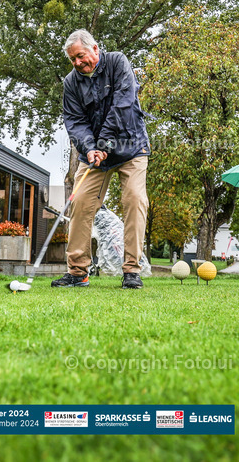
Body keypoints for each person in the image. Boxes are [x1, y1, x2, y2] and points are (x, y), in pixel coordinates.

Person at [54, 29, 150, 290]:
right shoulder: (71, 83)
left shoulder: (118, 63)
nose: (77, 63)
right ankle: (77, 272)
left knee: (134, 199)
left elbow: (124, 103)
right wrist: (89, 148)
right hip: (95, 154)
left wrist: (104, 142)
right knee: (81, 202)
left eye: (80, 56)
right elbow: (74, 121)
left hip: (131, 147)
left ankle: (131, 270)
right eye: (72, 59)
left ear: (95, 49)